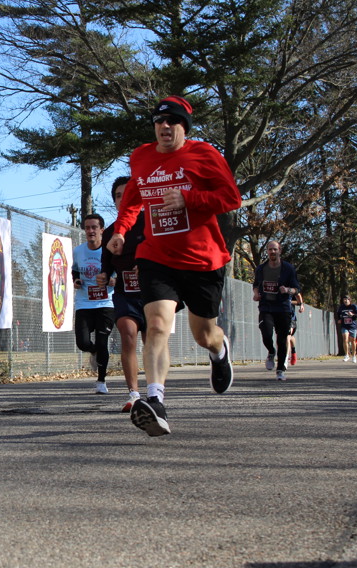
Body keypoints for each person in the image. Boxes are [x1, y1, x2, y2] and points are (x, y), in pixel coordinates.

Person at [107, 96, 242, 436]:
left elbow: (231, 198)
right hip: (157, 256)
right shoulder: (141, 157)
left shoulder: (205, 155)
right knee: (156, 325)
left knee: (204, 335)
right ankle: (155, 401)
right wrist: (121, 230)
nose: (164, 127)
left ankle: (219, 350)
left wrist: (189, 198)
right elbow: (133, 198)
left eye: (172, 122)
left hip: (202, 259)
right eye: (159, 122)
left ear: (184, 127)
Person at [98, 176, 146, 412]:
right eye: (118, 195)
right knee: (128, 335)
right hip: (125, 293)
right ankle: (134, 394)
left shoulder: (150, 221)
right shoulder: (109, 233)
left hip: (153, 292)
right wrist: (103, 276)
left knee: (152, 342)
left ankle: (156, 392)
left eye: (128, 194)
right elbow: (106, 266)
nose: (123, 199)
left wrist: (147, 265)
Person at [72, 213, 116, 394]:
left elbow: (119, 273)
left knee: (102, 341)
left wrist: (113, 281)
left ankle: (101, 381)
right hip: (84, 302)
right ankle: (93, 351)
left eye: (94, 227)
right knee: (82, 343)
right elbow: (75, 270)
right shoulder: (78, 251)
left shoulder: (109, 250)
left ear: (102, 230)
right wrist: (76, 280)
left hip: (106, 303)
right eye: (87, 227)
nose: (90, 231)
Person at [252, 240, 301, 381]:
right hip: (266, 307)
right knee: (266, 333)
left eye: (275, 249)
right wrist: (256, 294)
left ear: (280, 251)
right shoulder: (261, 269)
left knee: (282, 339)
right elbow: (256, 285)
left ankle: (280, 370)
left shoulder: (288, 269)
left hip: (283, 308)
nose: (272, 252)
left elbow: (297, 289)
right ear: (267, 251)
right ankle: (271, 352)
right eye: (270, 249)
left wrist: (288, 290)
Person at [335, 295, 357, 363]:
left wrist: (352, 315)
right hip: (344, 326)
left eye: (347, 299)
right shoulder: (341, 307)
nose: (346, 301)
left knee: (353, 341)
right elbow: (338, 314)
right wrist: (339, 319)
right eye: (344, 299)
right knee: (345, 339)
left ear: (350, 300)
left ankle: (354, 356)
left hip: (352, 326)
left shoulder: (353, 306)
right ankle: (346, 355)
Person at [287, 291, 304, 365]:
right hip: (279, 315)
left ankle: (286, 357)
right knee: (284, 337)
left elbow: (298, 301)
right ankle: (289, 353)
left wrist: (289, 301)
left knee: (287, 336)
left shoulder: (291, 288)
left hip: (291, 317)